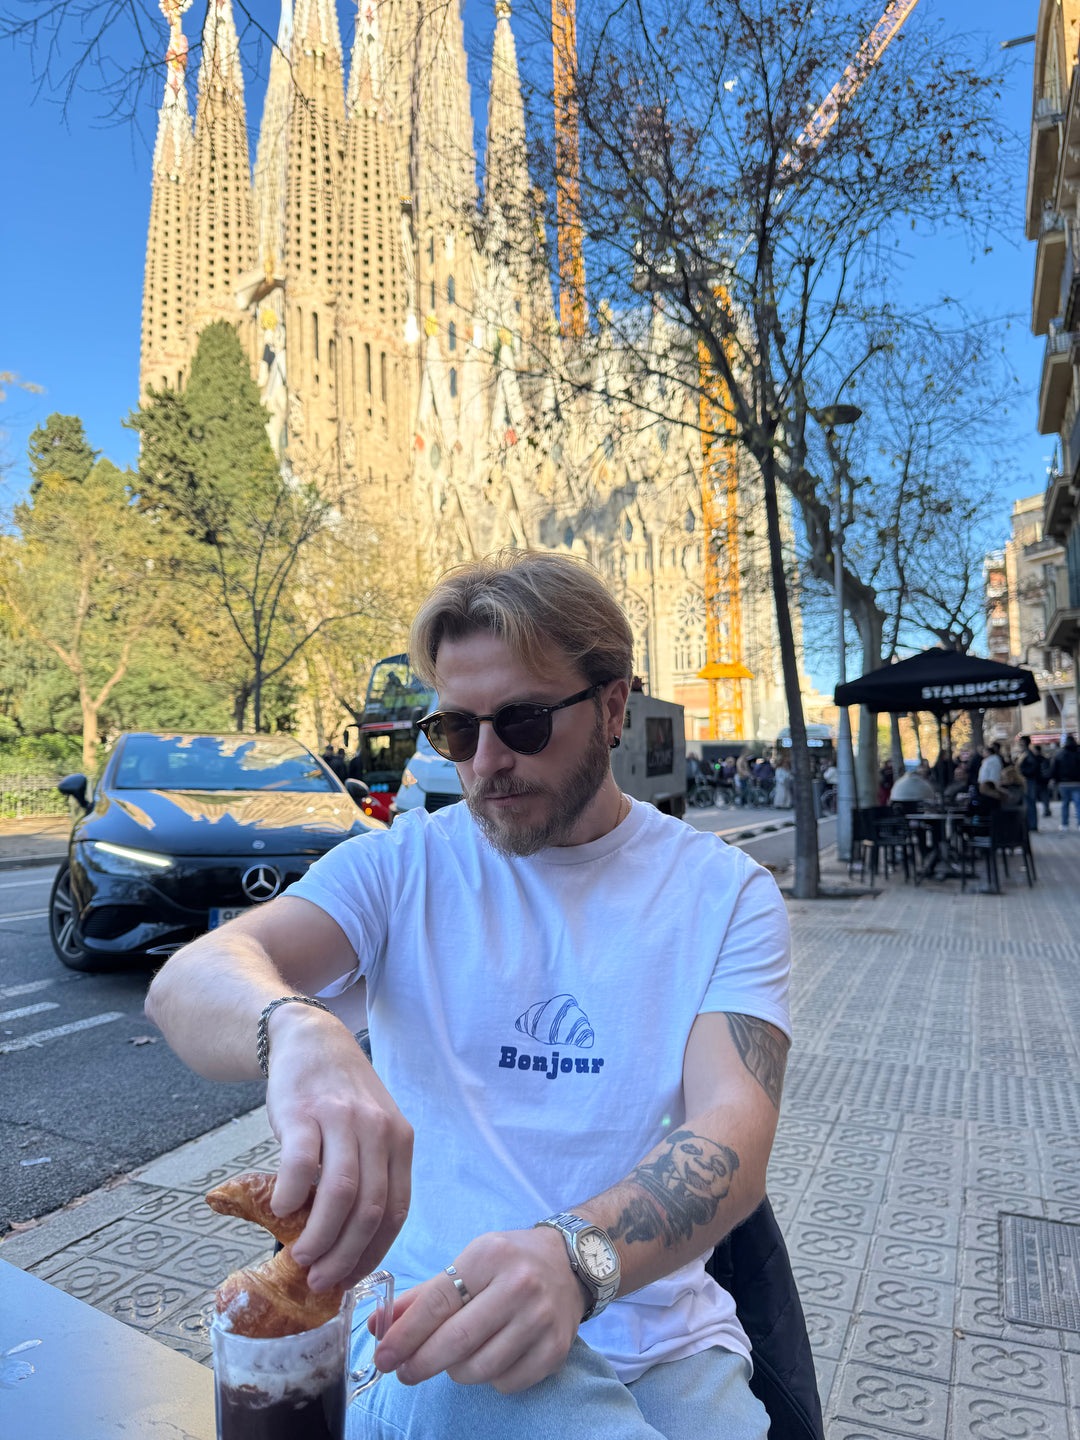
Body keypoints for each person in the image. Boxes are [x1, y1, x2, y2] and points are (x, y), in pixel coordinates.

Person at [145, 551, 788, 1440]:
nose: (484, 763)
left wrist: (571, 1262)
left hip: (660, 1334)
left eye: (522, 722)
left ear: (611, 706)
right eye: (455, 730)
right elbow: (188, 982)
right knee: (484, 1394)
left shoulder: (727, 894)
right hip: (424, 1335)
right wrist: (296, 1030)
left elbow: (733, 1135)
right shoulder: (401, 866)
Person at [1051, 733, 1080, 829]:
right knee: (1078, 804)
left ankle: (1064, 824)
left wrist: (1055, 780)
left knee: (1065, 804)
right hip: (1077, 782)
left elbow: (1054, 769)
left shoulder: (1059, 754)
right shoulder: (1078, 753)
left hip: (1063, 783)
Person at [1017, 736, 1041, 832]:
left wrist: (1024, 773)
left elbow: (1033, 767)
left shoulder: (1027, 753)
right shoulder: (1026, 753)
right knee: (1029, 802)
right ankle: (1031, 824)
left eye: (1020, 742)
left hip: (1028, 780)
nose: (1019, 743)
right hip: (1027, 780)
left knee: (1029, 802)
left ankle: (1032, 824)